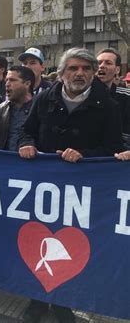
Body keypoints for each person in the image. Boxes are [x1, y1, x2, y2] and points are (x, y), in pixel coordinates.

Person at [18, 47, 125, 323]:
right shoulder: (44, 100)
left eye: (86, 69)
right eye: (73, 68)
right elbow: (26, 131)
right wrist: (27, 144)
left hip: (82, 193)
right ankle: (37, 300)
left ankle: (64, 303)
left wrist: (84, 156)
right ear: (63, 72)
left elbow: (112, 148)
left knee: (71, 247)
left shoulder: (109, 106)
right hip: (44, 188)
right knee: (39, 241)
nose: (80, 73)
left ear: (93, 73)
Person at [96, 48, 130, 147]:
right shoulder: (81, 95)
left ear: (117, 70)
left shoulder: (127, 98)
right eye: (99, 63)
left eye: (108, 63)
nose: (102, 66)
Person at [0, 66, 35, 150]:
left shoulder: (40, 107)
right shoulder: (2, 108)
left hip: (33, 161)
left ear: (27, 84)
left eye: (12, 80)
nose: (7, 84)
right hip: (7, 160)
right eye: (6, 80)